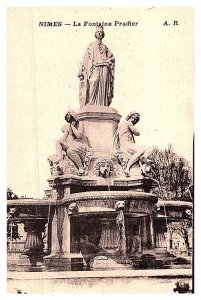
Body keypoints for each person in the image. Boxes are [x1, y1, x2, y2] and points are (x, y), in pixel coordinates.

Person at [78, 25, 115, 107]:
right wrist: (81, 70)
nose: (100, 33)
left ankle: (102, 104)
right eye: (98, 32)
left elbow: (112, 58)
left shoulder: (105, 48)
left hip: (104, 68)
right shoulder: (91, 46)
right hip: (95, 67)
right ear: (95, 34)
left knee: (103, 86)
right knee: (93, 81)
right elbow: (85, 58)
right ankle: (91, 102)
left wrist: (107, 61)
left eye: (101, 32)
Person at [49, 110, 90, 175]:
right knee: (58, 142)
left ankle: (81, 167)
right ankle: (59, 157)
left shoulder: (80, 123)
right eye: (69, 120)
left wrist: (73, 127)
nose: (70, 121)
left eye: (71, 119)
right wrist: (62, 141)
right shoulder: (69, 126)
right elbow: (67, 138)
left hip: (81, 143)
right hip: (73, 143)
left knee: (70, 151)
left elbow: (79, 135)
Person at [118, 112, 152, 177]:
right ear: (131, 117)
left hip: (129, 144)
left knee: (150, 148)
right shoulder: (128, 123)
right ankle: (127, 168)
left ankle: (143, 157)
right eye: (135, 118)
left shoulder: (122, 124)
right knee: (141, 150)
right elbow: (137, 133)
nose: (135, 120)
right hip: (126, 145)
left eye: (136, 119)